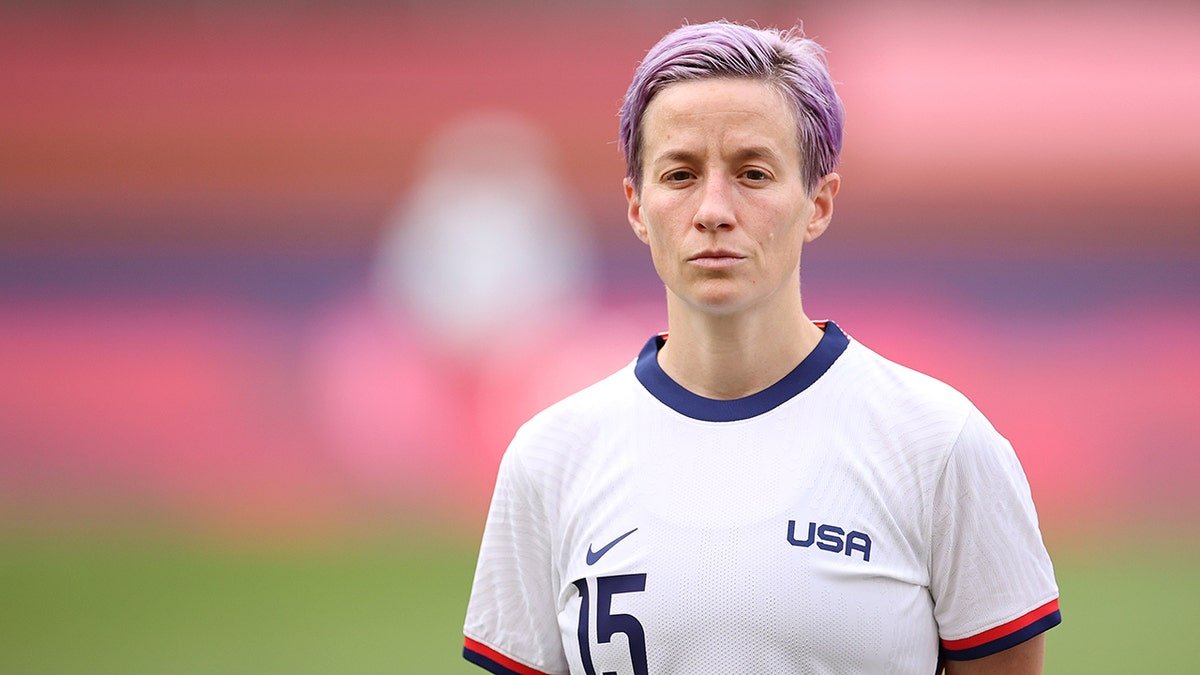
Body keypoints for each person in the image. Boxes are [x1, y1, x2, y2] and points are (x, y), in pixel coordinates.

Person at [462, 20, 1060, 675]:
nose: (714, 208)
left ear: (819, 202)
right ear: (637, 206)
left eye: (752, 172)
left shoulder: (940, 444)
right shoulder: (551, 458)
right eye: (681, 173)